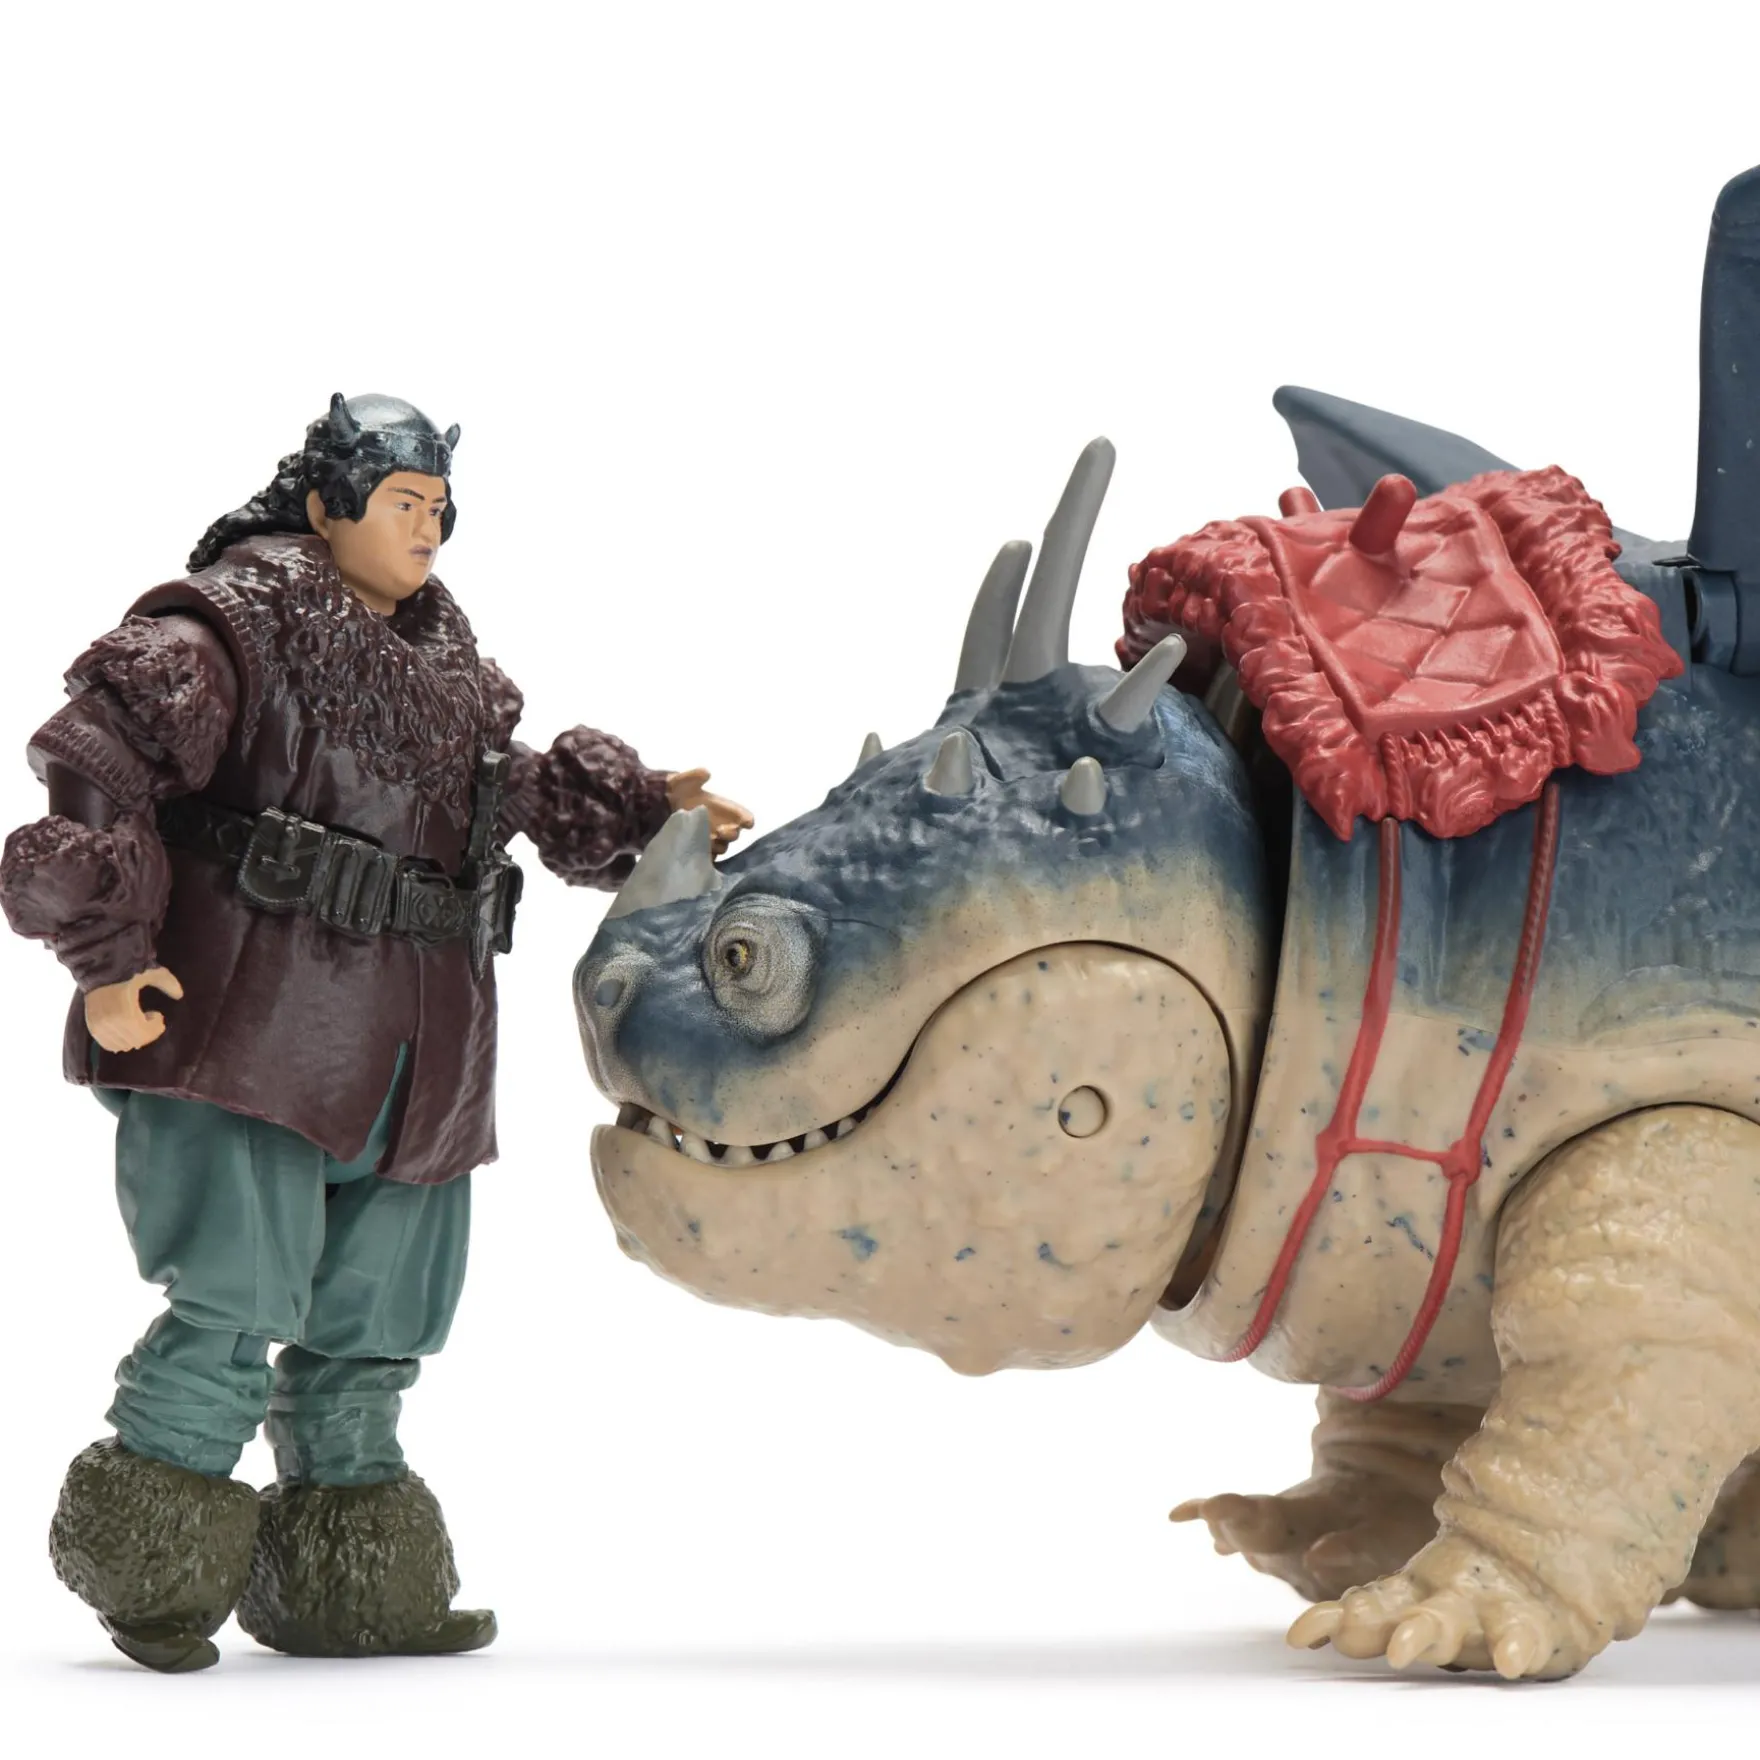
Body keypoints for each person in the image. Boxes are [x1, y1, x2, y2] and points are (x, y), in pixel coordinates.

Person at [0, 392, 752, 1672]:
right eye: (404, 502)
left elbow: (493, 787)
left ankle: (349, 1582)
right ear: (324, 504)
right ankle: (154, 1566)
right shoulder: (224, 628)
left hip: (422, 1036)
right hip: (255, 1023)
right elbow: (99, 760)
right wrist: (110, 960)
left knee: (377, 1317)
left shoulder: (446, 657)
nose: (428, 529)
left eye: (439, 508)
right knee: (234, 1298)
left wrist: (635, 804)